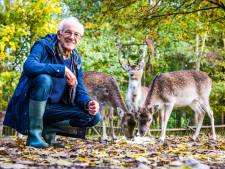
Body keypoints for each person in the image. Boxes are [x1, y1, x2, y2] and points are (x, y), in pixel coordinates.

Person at [3, 17, 101, 148]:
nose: (72, 37)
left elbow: (79, 90)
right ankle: (34, 135)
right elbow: (29, 66)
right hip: (30, 107)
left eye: (76, 34)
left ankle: (48, 131)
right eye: (68, 32)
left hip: (53, 109)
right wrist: (60, 69)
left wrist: (88, 102)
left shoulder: (75, 58)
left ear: (79, 39)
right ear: (59, 34)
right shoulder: (43, 45)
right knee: (44, 79)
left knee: (93, 116)